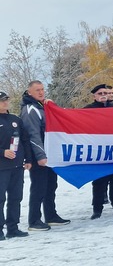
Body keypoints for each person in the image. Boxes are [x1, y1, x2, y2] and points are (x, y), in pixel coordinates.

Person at [21, 80, 71, 231]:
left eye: (42, 89)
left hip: (50, 154)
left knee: (51, 186)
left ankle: (50, 215)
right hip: (39, 156)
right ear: (29, 92)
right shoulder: (30, 109)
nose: (41, 92)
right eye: (37, 90)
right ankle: (34, 220)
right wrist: (40, 156)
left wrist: (52, 106)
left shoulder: (42, 107)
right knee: (39, 187)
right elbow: (33, 135)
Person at [84, 85, 113, 219]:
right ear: (94, 96)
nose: (103, 95)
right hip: (98, 151)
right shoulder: (88, 110)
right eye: (100, 93)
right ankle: (97, 209)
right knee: (99, 181)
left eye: (105, 93)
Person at [0, 90, 32, 240]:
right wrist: (2, 152)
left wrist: (28, 159)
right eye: (2, 100)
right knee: (0, 199)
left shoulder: (15, 119)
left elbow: (25, 140)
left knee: (15, 198)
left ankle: (13, 228)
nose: (5, 102)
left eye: (6, 99)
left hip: (17, 167)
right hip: (1, 168)